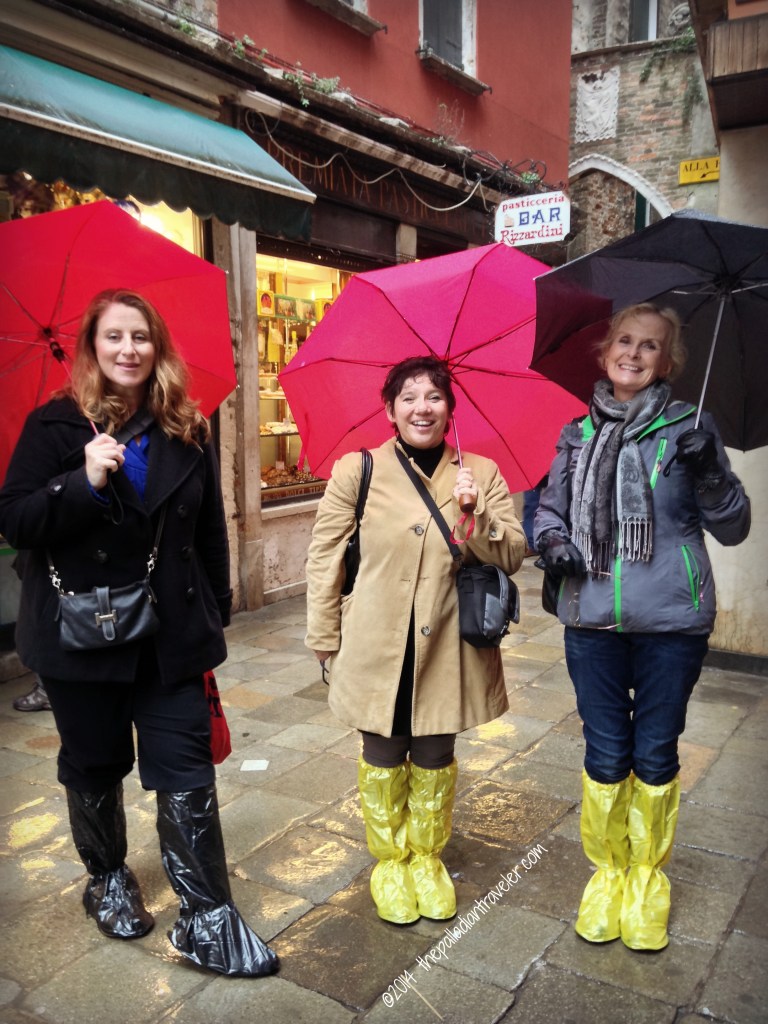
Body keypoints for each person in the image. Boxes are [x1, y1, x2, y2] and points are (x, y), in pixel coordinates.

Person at [0, 288, 278, 978]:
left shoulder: (189, 425)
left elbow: (209, 531)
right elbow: (15, 523)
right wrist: (82, 481)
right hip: (79, 636)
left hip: (170, 637)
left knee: (186, 768)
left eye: (142, 337)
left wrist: (216, 614)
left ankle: (207, 917)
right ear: (92, 347)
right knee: (94, 763)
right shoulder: (54, 430)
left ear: (159, 348)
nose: (129, 349)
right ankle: (107, 878)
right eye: (114, 337)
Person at [534, 302, 750, 952]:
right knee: (604, 753)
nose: (634, 352)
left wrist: (709, 468)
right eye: (624, 341)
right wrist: (552, 543)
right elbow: (545, 508)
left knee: (654, 753)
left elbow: (733, 526)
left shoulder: (692, 428)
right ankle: (609, 876)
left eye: (650, 346)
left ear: (669, 362)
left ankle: (646, 884)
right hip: (591, 619)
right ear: (604, 355)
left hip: (672, 625)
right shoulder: (575, 433)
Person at [305, 355, 525, 925]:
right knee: (382, 749)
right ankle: (390, 862)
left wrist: (477, 517)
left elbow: (513, 555)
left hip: (449, 637)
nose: (422, 408)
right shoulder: (360, 470)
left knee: (434, 750)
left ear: (451, 409)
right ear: (390, 409)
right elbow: (325, 554)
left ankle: (426, 859)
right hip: (377, 638)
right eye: (409, 397)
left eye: (434, 397)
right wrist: (324, 633)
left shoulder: (480, 470)